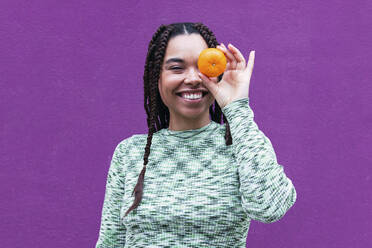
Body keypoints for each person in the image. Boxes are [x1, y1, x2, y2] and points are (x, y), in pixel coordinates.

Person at [95, 22, 297, 248]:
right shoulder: (130, 153)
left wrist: (237, 107)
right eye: (177, 68)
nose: (193, 78)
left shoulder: (241, 144)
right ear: (157, 78)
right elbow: (110, 242)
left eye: (203, 67)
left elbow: (270, 208)